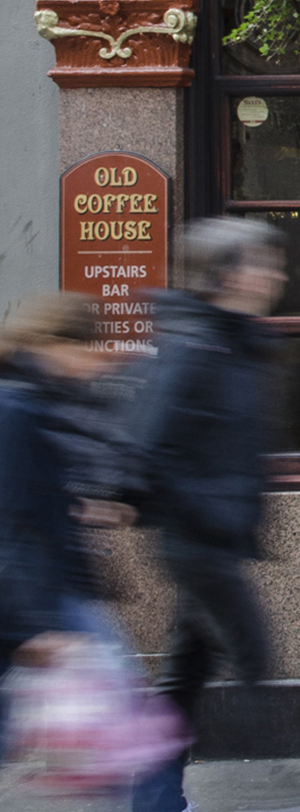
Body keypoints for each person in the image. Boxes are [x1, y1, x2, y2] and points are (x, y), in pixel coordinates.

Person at [125, 217, 300, 812]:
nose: (278, 275)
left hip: (212, 540)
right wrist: (207, 514)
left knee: (184, 677)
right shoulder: (194, 345)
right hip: (199, 544)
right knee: (254, 660)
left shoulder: (231, 342)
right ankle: (286, 805)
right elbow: (145, 450)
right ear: (228, 275)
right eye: (265, 264)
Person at [0, 292, 135, 748]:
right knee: (121, 703)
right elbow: (11, 522)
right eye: (88, 352)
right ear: (58, 345)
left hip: (50, 584)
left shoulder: (38, 398)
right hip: (37, 591)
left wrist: (79, 506)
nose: (96, 365)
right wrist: (32, 625)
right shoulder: (17, 406)